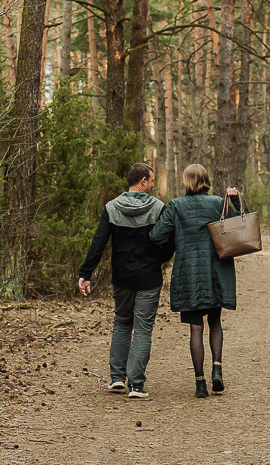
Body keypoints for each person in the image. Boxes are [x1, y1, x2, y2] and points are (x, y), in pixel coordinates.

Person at [77, 163, 170, 399]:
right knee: (143, 328)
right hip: (148, 277)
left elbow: (98, 242)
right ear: (142, 181)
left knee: (122, 323)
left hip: (122, 277)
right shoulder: (158, 208)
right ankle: (136, 384)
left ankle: (117, 378)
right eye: (151, 181)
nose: (152, 185)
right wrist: (158, 260)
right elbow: (169, 241)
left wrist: (86, 273)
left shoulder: (112, 208)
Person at [149, 164, 242, 398]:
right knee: (215, 321)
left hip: (188, 273)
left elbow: (156, 235)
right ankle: (217, 369)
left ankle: (200, 384)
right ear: (206, 180)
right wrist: (236, 200)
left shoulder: (176, 205)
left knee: (195, 328)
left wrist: (178, 240)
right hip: (215, 271)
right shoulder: (218, 204)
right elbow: (241, 226)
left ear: (186, 181)